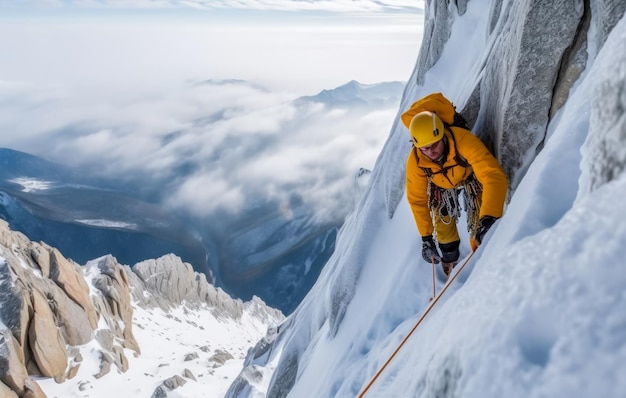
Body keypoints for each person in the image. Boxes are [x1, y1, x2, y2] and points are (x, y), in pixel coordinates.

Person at [404, 110, 508, 276]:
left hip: (469, 178)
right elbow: (417, 199)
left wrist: (489, 216)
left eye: (435, 145)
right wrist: (426, 238)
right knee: (443, 226)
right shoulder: (416, 161)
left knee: (481, 226)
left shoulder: (462, 141)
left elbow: (492, 175)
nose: (431, 152)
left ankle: (480, 257)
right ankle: (449, 258)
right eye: (425, 148)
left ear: (443, 136)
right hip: (441, 186)